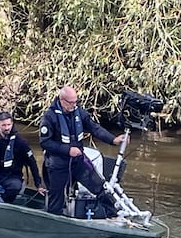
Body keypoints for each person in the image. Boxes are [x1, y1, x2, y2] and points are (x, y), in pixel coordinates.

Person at [39, 85, 127, 216]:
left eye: (76, 101)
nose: (74, 105)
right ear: (62, 100)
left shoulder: (79, 112)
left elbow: (94, 128)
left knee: (100, 187)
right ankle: (55, 222)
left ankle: (114, 215)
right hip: (58, 163)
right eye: (71, 102)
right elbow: (45, 143)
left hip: (78, 161)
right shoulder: (49, 117)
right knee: (56, 199)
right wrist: (67, 150)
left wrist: (113, 140)